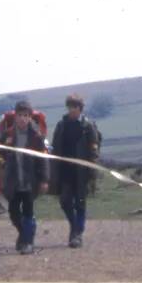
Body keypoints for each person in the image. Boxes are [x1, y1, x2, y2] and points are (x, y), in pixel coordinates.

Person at [0, 100, 50, 255]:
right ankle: (24, 234)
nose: (22, 118)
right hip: (13, 181)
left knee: (28, 211)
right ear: (15, 116)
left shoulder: (36, 136)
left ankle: (28, 242)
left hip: (29, 181)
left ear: (30, 117)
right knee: (13, 212)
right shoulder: (8, 135)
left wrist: (44, 179)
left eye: (25, 115)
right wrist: (1, 165)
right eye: (20, 115)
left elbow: (43, 159)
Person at [51, 94, 101, 248]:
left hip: (82, 172)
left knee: (80, 203)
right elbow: (55, 146)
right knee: (64, 201)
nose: (72, 110)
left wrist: (92, 170)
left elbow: (94, 149)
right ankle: (75, 227)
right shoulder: (61, 125)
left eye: (75, 107)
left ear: (80, 109)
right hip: (65, 170)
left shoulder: (88, 126)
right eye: (70, 107)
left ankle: (77, 235)